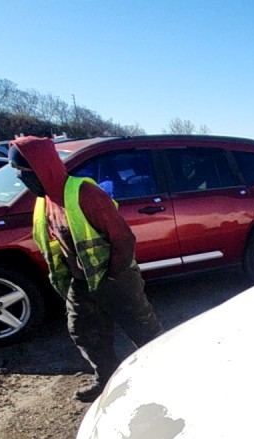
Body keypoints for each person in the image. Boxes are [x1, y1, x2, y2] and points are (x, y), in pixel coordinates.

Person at [9, 137, 162, 402]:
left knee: (144, 331)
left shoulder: (85, 194)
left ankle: (167, 378)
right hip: (81, 282)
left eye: (24, 174)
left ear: (41, 169)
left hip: (116, 278)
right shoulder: (44, 201)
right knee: (85, 332)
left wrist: (113, 275)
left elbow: (124, 239)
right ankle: (107, 382)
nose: (22, 181)